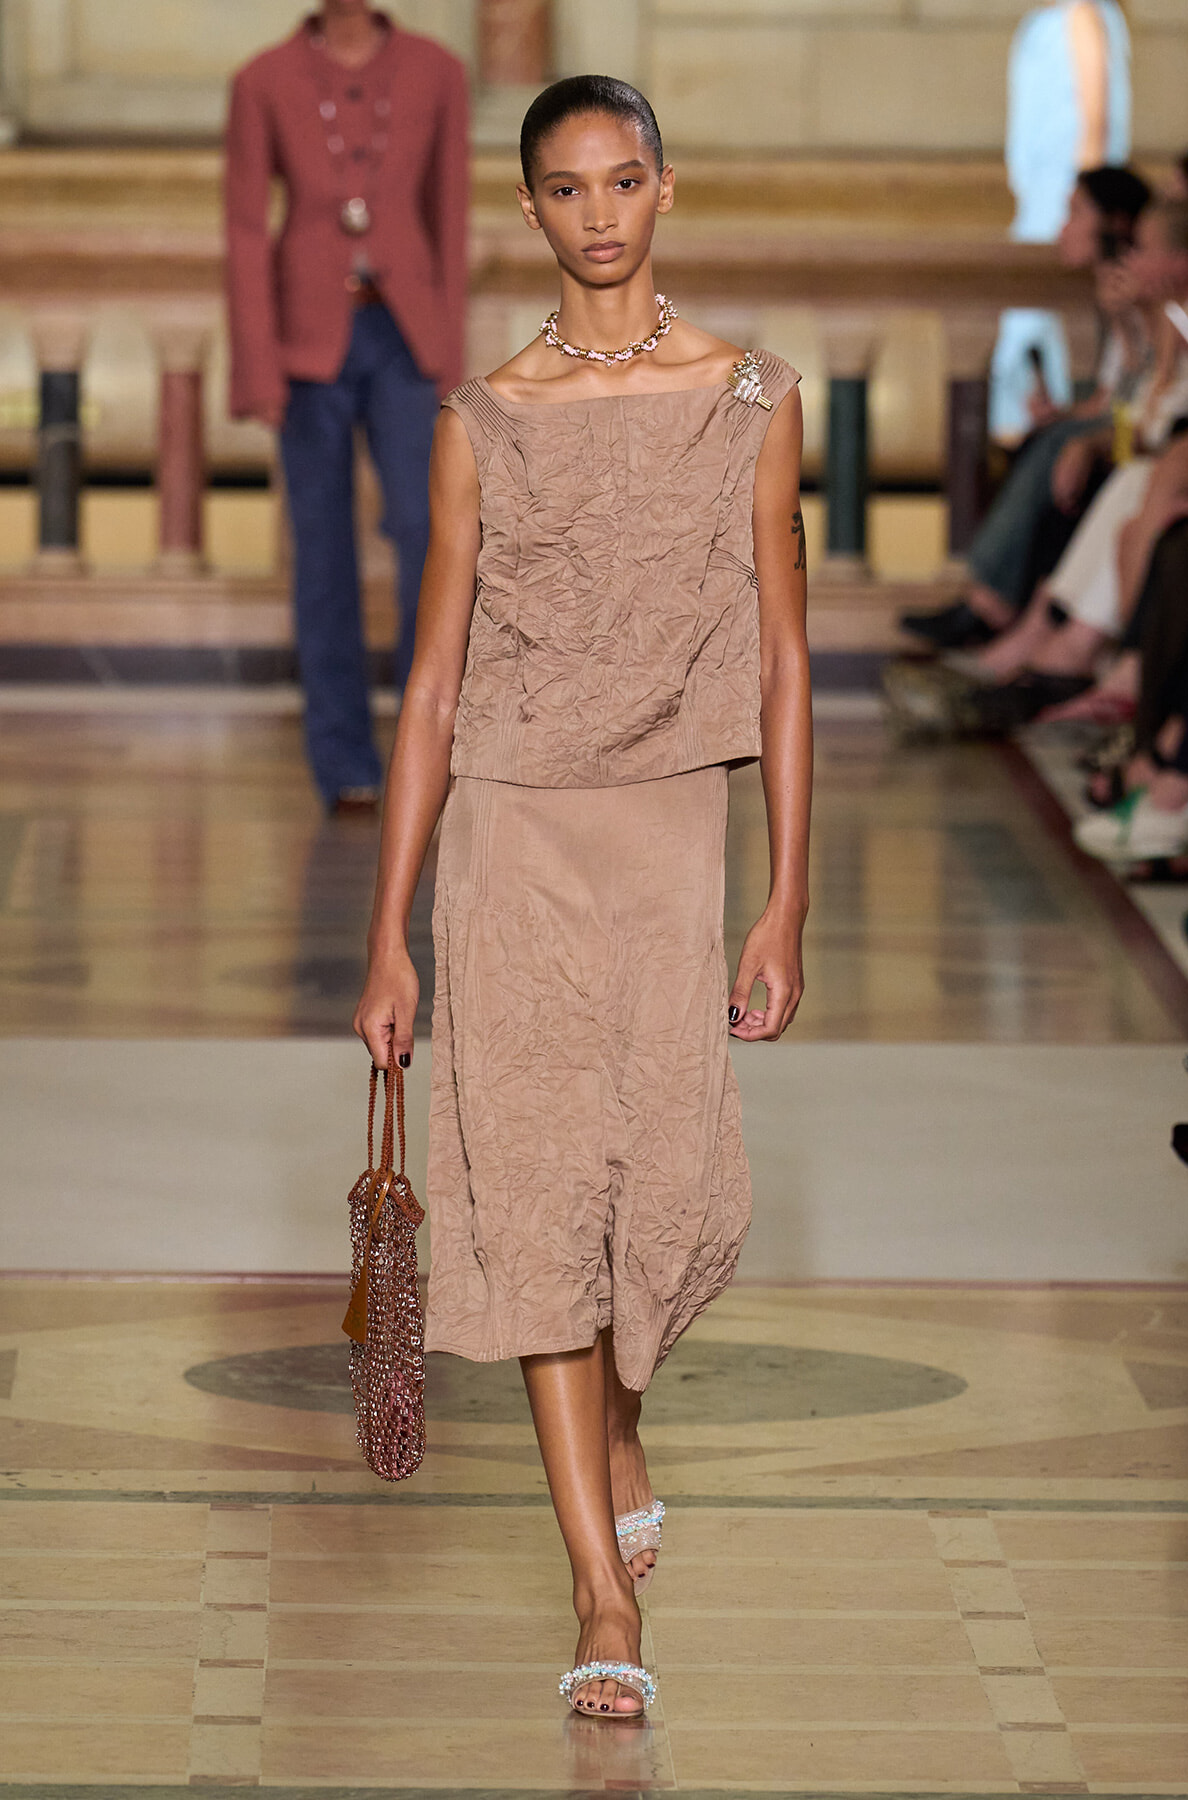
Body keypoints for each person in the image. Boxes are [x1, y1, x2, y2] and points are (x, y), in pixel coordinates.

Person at [353, 76, 811, 1720]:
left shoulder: (753, 392)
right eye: (568, 188)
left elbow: (785, 655)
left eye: (625, 181)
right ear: (530, 211)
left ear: (665, 193)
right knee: (549, 1200)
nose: (600, 212)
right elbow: (426, 684)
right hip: (514, 837)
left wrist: (787, 904)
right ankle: (600, 1588)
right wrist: (388, 928)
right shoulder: (481, 417)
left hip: (673, 831)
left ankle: (621, 1416)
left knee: (670, 1197)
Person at [225, 3, 468, 814]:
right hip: (307, 343)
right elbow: (245, 228)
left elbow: (450, 218)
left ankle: (424, 748)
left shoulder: (438, 72)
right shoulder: (263, 79)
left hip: (407, 339)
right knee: (320, 547)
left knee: (424, 532)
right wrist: (258, 365)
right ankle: (344, 762)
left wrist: (451, 358)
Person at [902, 163, 1151, 652]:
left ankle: (993, 603)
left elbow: (1143, 397)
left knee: (1059, 444)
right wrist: (1065, 417)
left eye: (1076, 212)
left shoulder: (1137, 289)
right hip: (1126, 420)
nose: (1063, 228)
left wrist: (1134, 318)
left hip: (1142, 431)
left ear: (1117, 223)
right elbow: (1109, 396)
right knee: (1041, 437)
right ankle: (999, 601)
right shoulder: (1110, 289)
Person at [991, 0, 1130, 441]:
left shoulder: (1082, 14)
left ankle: (1041, 438)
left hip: (1061, 206)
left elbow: (1094, 123)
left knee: (1036, 334)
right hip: (1041, 203)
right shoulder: (1054, 19)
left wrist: (1081, 207)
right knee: (1028, 341)